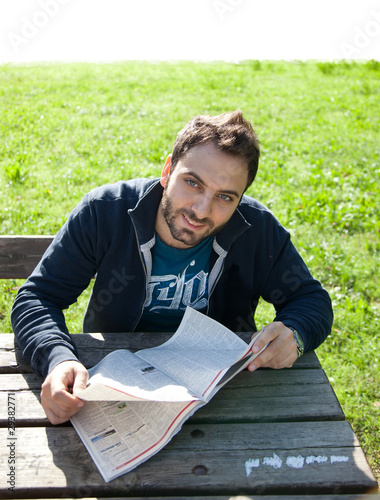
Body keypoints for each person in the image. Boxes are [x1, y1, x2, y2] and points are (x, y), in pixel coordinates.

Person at [11, 110, 333, 425]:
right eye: (192, 182)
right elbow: (37, 298)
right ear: (167, 171)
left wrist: (296, 333)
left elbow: (311, 301)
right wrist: (58, 357)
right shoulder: (103, 213)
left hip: (221, 393)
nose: (201, 210)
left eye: (224, 197)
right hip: (114, 386)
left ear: (240, 200)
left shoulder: (257, 229)